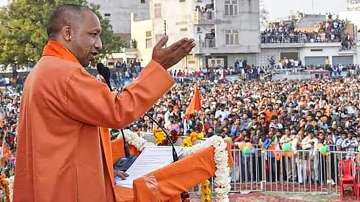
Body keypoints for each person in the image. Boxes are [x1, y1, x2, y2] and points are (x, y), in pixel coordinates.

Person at [13, 4, 195, 202]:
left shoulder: (44, 69)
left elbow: (64, 144)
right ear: (68, 33)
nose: (99, 44)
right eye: (93, 34)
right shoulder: (65, 73)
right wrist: (158, 67)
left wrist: (103, 172)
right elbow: (118, 110)